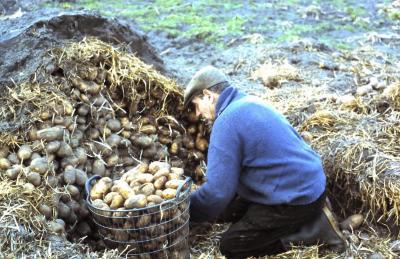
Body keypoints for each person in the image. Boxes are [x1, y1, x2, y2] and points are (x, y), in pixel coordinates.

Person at [184, 66, 346, 258]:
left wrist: (185, 210)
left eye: (196, 106)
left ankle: (317, 230)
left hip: (297, 197)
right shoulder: (249, 102)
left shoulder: (226, 122)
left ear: (208, 96)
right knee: (226, 212)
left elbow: (217, 193)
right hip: (309, 183)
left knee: (232, 245)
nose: (198, 114)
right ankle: (313, 212)